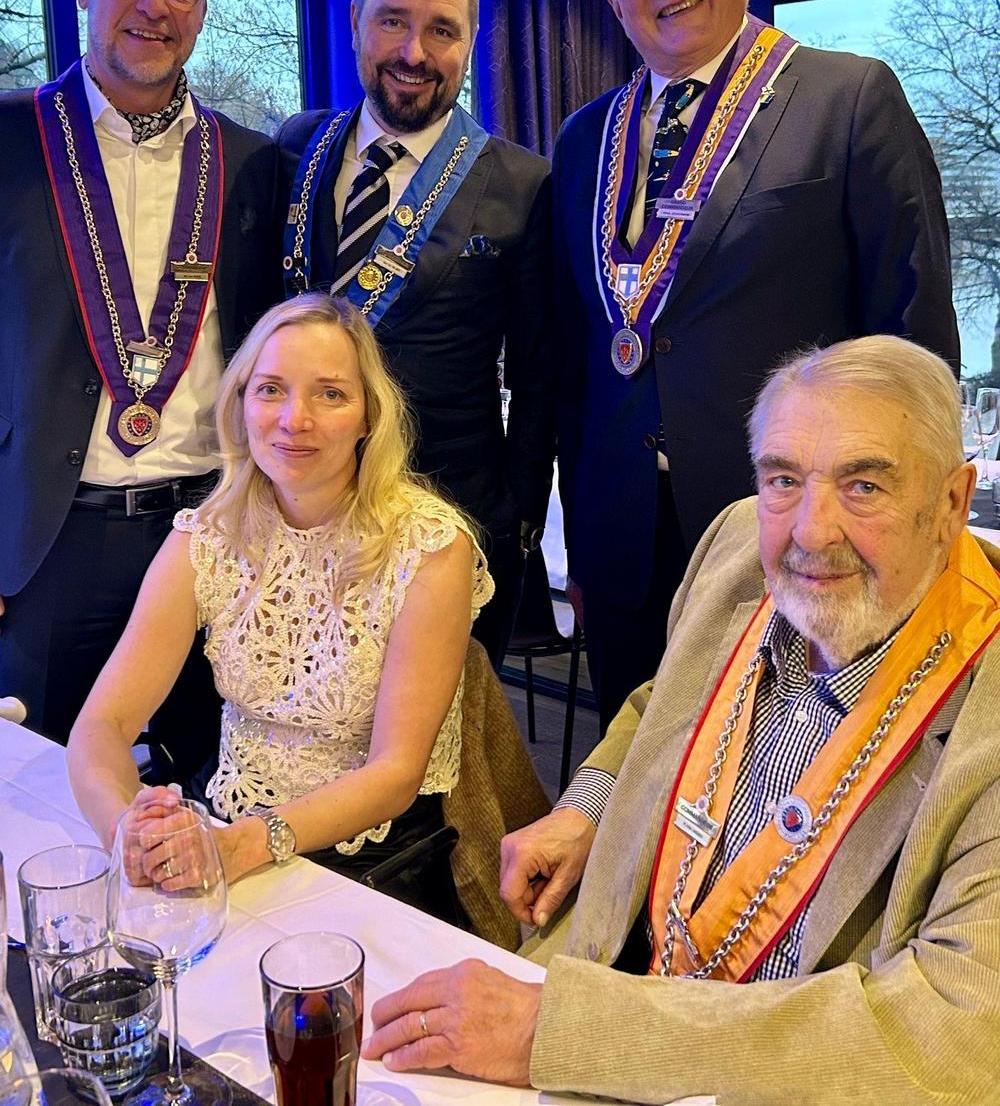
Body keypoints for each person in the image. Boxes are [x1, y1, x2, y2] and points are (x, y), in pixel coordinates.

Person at [362, 334, 1000, 1103]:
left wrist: (569, 1032)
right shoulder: (737, 541)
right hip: (600, 976)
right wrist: (586, 807)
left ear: (952, 502)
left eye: (864, 485)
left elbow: (956, 1032)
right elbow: (660, 701)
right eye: (784, 478)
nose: (810, 530)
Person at [553, 0, 960, 730]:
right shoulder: (585, 140)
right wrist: (581, 540)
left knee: (782, 774)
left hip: (802, 531)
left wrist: (909, 523)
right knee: (632, 769)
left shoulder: (849, 100)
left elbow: (915, 337)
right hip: (624, 545)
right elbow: (575, 357)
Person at [68, 293, 491, 921]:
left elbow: (396, 772)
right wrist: (126, 829)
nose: (295, 419)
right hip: (228, 827)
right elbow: (101, 726)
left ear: (369, 417)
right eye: (270, 390)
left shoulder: (429, 546)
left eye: (330, 394)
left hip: (373, 859)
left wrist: (242, 846)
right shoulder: (205, 537)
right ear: (241, 405)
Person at [0, 0, 281, 776]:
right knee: (39, 797)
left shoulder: (254, 163)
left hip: (211, 537)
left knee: (216, 794)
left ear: (204, 4)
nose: (155, 5)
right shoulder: (8, 142)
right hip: (46, 550)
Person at [277, 0, 552, 668]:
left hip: (445, 521)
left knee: (436, 736)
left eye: (442, 30)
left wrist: (515, 522)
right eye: (393, 21)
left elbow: (541, 380)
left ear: (470, 42)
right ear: (356, 20)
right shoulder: (294, 149)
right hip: (294, 513)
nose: (414, 52)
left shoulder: (522, 184)